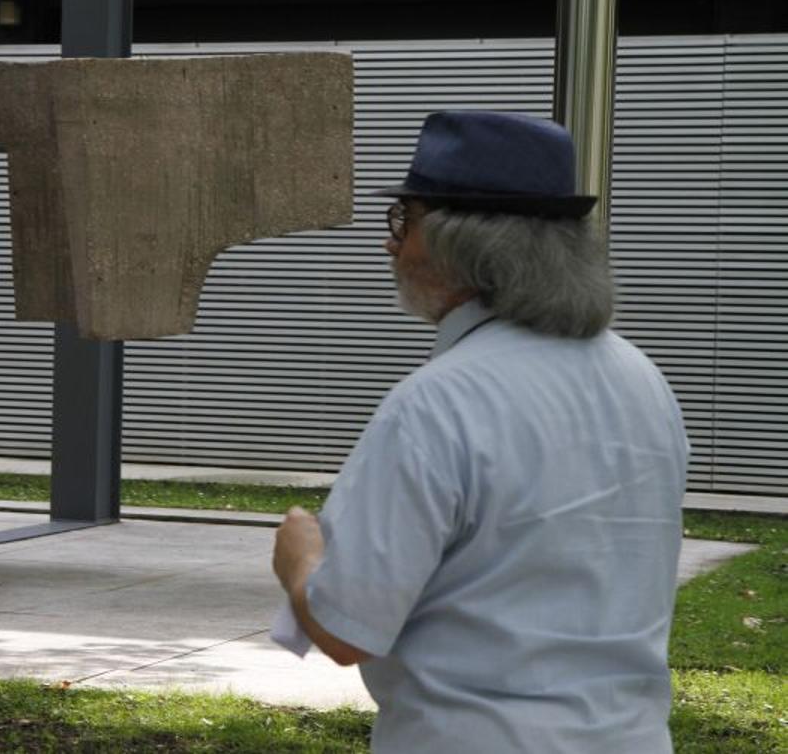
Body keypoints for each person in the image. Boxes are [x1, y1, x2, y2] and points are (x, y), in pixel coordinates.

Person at [272, 111, 689, 753]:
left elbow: (344, 629)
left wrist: (301, 560)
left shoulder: (437, 403)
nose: (391, 246)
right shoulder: (641, 379)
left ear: (458, 244)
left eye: (402, 222)